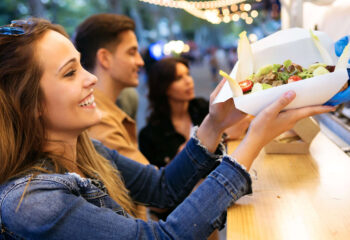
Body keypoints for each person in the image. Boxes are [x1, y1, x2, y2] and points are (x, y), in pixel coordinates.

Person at [0, 18, 334, 239]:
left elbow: (162, 188)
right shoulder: (32, 202)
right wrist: (254, 140)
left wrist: (215, 120)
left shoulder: (83, 146)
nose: (90, 79)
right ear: (29, 104)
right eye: (70, 72)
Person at [139, 57, 251, 169]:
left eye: (187, 74)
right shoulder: (149, 135)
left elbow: (232, 127)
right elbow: (156, 181)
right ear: (163, 87)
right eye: (178, 78)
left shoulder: (202, 107)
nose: (188, 81)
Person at [74, 14, 148, 165]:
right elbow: (156, 186)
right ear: (105, 58)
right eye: (132, 52)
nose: (140, 62)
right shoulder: (99, 121)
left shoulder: (103, 111)